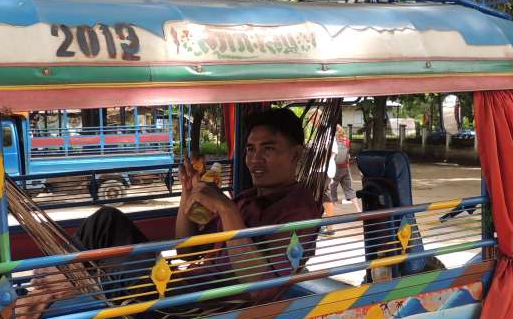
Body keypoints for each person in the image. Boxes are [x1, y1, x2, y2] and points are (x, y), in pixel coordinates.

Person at [65, 108, 323, 307]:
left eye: (268, 149)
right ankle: (51, 290)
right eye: (250, 149)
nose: (255, 159)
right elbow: (185, 250)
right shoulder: (247, 199)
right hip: (182, 285)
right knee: (107, 220)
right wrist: (186, 196)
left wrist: (226, 210)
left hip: (198, 305)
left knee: (103, 228)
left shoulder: (299, 212)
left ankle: (50, 292)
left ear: (296, 155)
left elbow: (262, 288)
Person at [328, 124, 357, 210]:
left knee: (332, 187)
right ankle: (358, 209)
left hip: (336, 167)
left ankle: (333, 207)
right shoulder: (347, 141)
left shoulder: (333, 141)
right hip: (345, 168)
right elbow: (347, 155)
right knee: (349, 189)